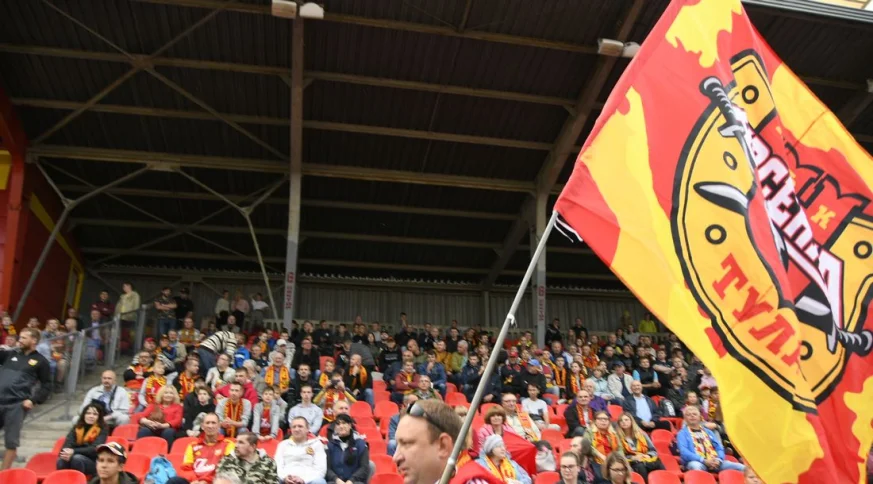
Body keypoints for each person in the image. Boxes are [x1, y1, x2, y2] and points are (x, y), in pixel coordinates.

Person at [0, 328, 52, 469]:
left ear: (34, 340)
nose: (20, 340)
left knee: (11, 442)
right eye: (20, 337)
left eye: (24, 338)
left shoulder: (41, 361)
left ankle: (3, 475)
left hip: (16, 405)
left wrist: (33, 400)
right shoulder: (10, 354)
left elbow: (47, 385)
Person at [169, 413, 236, 484]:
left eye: (213, 423)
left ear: (219, 425)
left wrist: (206, 481)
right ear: (202, 426)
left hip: (215, 481)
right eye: (207, 423)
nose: (210, 426)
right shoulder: (192, 445)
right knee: (174, 481)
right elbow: (185, 468)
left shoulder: (228, 444)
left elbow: (227, 469)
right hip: (195, 481)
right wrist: (195, 480)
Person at [676, 406, 745, 473]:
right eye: (688, 415)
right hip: (696, 462)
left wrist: (718, 459)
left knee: (741, 467)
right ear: (685, 418)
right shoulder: (682, 433)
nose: (692, 416)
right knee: (696, 466)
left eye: (695, 414)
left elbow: (719, 447)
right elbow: (684, 452)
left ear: (700, 417)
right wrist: (703, 460)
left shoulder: (708, 432)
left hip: (714, 461)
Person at [57, 403, 109, 475]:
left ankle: (79, 480)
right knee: (62, 459)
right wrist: (66, 452)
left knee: (77, 459)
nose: (91, 416)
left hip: (92, 461)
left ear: (99, 417)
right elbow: (67, 444)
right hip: (74, 456)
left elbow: (94, 449)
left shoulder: (102, 429)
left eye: (95, 414)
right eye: (88, 413)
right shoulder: (77, 427)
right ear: (84, 415)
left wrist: (74, 451)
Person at [276, 416, 328, 484]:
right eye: (294, 427)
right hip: (285, 479)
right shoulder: (283, 444)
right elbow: (277, 466)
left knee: (320, 482)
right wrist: (284, 478)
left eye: (300, 426)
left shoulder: (316, 444)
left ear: (307, 429)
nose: (296, 429)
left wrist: (304, 480)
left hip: (309, 480)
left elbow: (321, 469)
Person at [215, 431, 279, 484]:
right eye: (236, 442)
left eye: (241, 442)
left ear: (252, 447)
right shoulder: (226, 460)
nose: (236, 445)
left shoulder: (269, 463)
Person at [615, 413, 664, 480]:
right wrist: (633, 457)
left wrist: (648, 455)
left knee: (659, 463)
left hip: (646, 458)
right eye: (621, 420)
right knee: (640, 466)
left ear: (632, 421)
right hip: (631, 462)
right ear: (619, 423)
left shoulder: (642, 434)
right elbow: (620, 456)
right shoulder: (617, 437)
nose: (624, 422)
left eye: (626, 420)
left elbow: (653, 450)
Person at [325, 413, 370, 484]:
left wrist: (351, 480)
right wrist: (336, 479)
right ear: (335, 427)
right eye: (338, 424)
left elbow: (364, 468)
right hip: (335, 481)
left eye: (344, 423)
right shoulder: (330, 445)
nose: (341, 426)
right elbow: (327, 468)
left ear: (350, 425)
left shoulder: (360, 443)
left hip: (354, 481)